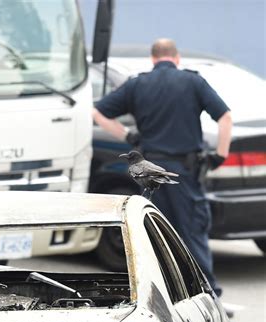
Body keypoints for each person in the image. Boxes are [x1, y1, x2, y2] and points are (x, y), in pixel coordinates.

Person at [92, 38, 232, 298]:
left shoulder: (137, 84)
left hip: (148, 170)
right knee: (192, 233)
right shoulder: (194, 82)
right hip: (184, 173)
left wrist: (127, 136)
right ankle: (207, 296)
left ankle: (161, 295)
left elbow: (98, 112)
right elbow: (225, 117)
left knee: (152, 232)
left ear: (153, 59)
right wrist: (219, 157)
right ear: (176, 58)